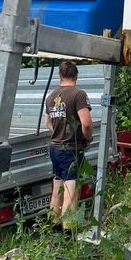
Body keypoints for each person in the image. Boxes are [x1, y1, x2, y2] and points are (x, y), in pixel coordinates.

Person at [44, 60, 93, 228]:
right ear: (76, 76)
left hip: (54, 148)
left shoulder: (51, 96)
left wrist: (58, 132)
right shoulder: (78, 95)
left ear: (60, 76)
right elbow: (86, 123)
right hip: (71, 149)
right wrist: (87, 138)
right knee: (71, 191)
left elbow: (48, 123)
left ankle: (54, 227)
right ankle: (68, 233)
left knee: (58, 187)